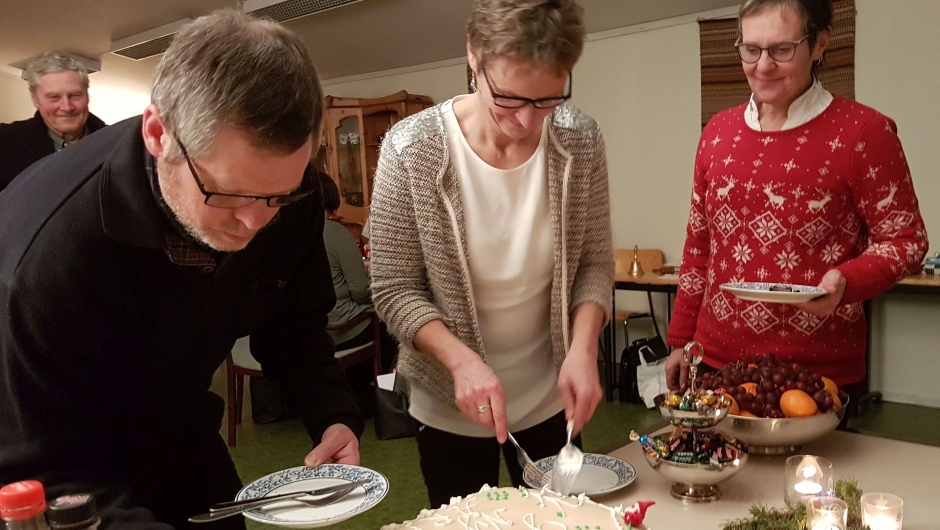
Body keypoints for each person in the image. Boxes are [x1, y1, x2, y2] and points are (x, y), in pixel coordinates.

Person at [0, 10, 362, 529]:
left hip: (183, 435)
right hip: (69, 463)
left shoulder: (286, 192)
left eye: (277, 196)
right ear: (157, 134)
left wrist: (330, 413)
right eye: (229, 193)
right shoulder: (43, 251)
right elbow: (40, 470)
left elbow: (293, 320)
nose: (255, 222)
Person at [369, 0, 613, 507]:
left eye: (547, 100)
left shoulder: (580, 140)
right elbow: (394, 288)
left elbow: (593, 262)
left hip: (551, 401)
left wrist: (584, 348)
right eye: (508, 98)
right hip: (451, 408)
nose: (526, 120)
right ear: (473, 59)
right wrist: (460, 362)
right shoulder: (410, 149)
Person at [665, 0, 928, 407]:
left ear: (820, 44)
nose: (762, 66)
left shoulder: (865, 133)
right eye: (750, 49)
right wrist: (681, 339)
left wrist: (847, 281)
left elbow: (907, 240)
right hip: (717, 365)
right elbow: (699, 246)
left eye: (781, 49)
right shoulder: (717, 133)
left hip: (818, 376)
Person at [0, 52, 107, 192]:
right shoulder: (5, 142)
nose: (67, 107)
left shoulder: (120, 143)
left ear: (87, 94)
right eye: (54, 97)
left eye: (75, 95)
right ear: (35, 99)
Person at [318, 172, 374, 350]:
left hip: (296, 335)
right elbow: (360, 291)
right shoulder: (336, 233)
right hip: (338, 329)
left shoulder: (282, 233)